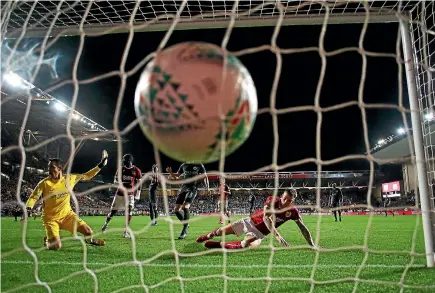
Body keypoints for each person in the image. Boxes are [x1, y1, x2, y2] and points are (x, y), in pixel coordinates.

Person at [25, 151, 108, 250]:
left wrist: (101, 165)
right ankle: (48, 240)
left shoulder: (70, 178)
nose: (49, 171)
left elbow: (87, 176)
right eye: (48, 168)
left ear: (59, 169)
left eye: (52, 168)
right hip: (51, 219)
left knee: (88, 232)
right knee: (56, 247)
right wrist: (28, 208)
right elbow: (34, 197)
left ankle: (89, 240)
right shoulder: (44, 183)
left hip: (67, 215)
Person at [196, 189, 316, 250]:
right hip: (249, 222)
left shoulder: (293, 212)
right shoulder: (272, 200)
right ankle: (208, 236)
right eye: (285, 199)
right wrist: (278, 235)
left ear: (292, 201)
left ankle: (220, 245)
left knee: (245, 244)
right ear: (281, 196)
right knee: (219, 232)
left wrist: (312, 244)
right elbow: (266, 218)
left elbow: (302, 227)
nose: (286, 202)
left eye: (289, 200)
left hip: (260, 233)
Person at [102, 154, 142, 238]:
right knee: (113, 212)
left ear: (129, 161)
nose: (123, 163)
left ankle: (126, 231)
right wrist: (125, 183)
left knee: (129, 211)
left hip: (130, 195)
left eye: (125, 161)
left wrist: (138, 194)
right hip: (119, 194)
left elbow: (139, 183)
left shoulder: (136, 170)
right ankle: (106, 224)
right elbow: (115, 181)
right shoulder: (120, 169)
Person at [166, 162, 209, 240]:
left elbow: (205, 176)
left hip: (193, 188)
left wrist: (207, 187)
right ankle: (186, 223)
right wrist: (170, 172)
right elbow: (176, 177)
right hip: (184, 188)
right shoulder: (183, 165)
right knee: (176, 210)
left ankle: (184, 231)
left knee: (185, 207)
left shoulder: (199, 164)